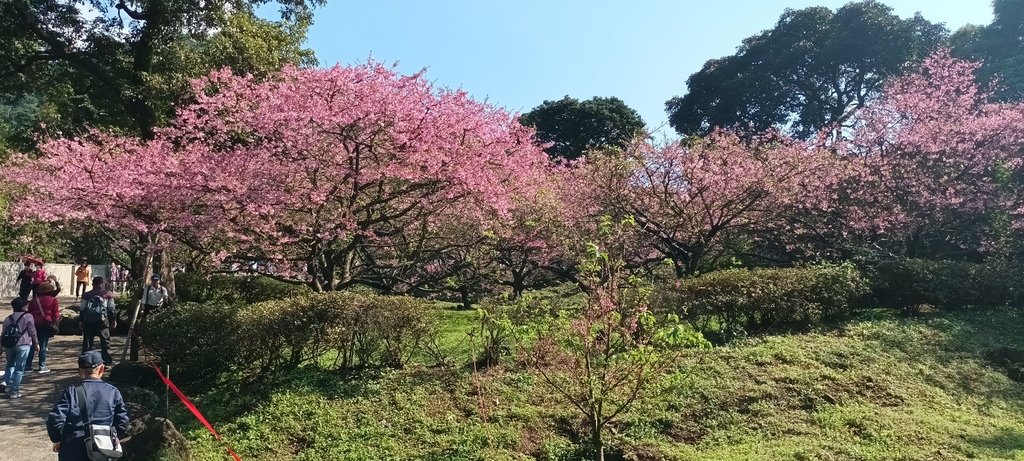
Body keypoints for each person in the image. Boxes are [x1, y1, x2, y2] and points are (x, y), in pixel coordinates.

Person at [46, 351, 129, 461]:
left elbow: (55, 419)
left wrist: (57, 439)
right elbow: (122, 422)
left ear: (80, 371)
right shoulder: (113, 392)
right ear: (101, 368)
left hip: (73, 447)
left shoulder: (71, 391)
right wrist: (115, 436)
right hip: (102, 448)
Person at [2, 297, 38, 399]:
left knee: (9, 365)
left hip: (9, 345)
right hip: (23, 344)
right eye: (26, 304)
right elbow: (32, 331)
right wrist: (36, 343)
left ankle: (5, 382)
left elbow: (3, 333)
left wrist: (1, 346)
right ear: (23, 306)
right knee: (19, 369)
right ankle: (14, 391)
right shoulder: (28, 316)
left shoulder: (8, 318)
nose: (28, 306)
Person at [79, 277, 116, 367]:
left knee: (87, 343)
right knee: (105, 342)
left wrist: (81, 320)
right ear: (102, 284)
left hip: (89, 321)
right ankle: (107, 360)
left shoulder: (86, 295)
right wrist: (113, 320)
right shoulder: (108, 294)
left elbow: (82, 308)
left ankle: (85, 361)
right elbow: (111, 309)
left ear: (92, 284)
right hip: (103, 321)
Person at [26, 281, 60, 373]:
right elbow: (56, 314)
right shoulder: (53, 300)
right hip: (45, 324)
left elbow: (29, 312)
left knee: (33, 344)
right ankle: (42, 365)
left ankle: (28, 365)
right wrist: (56, 324)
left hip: (33, 323)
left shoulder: (34, 300)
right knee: (43, 345)